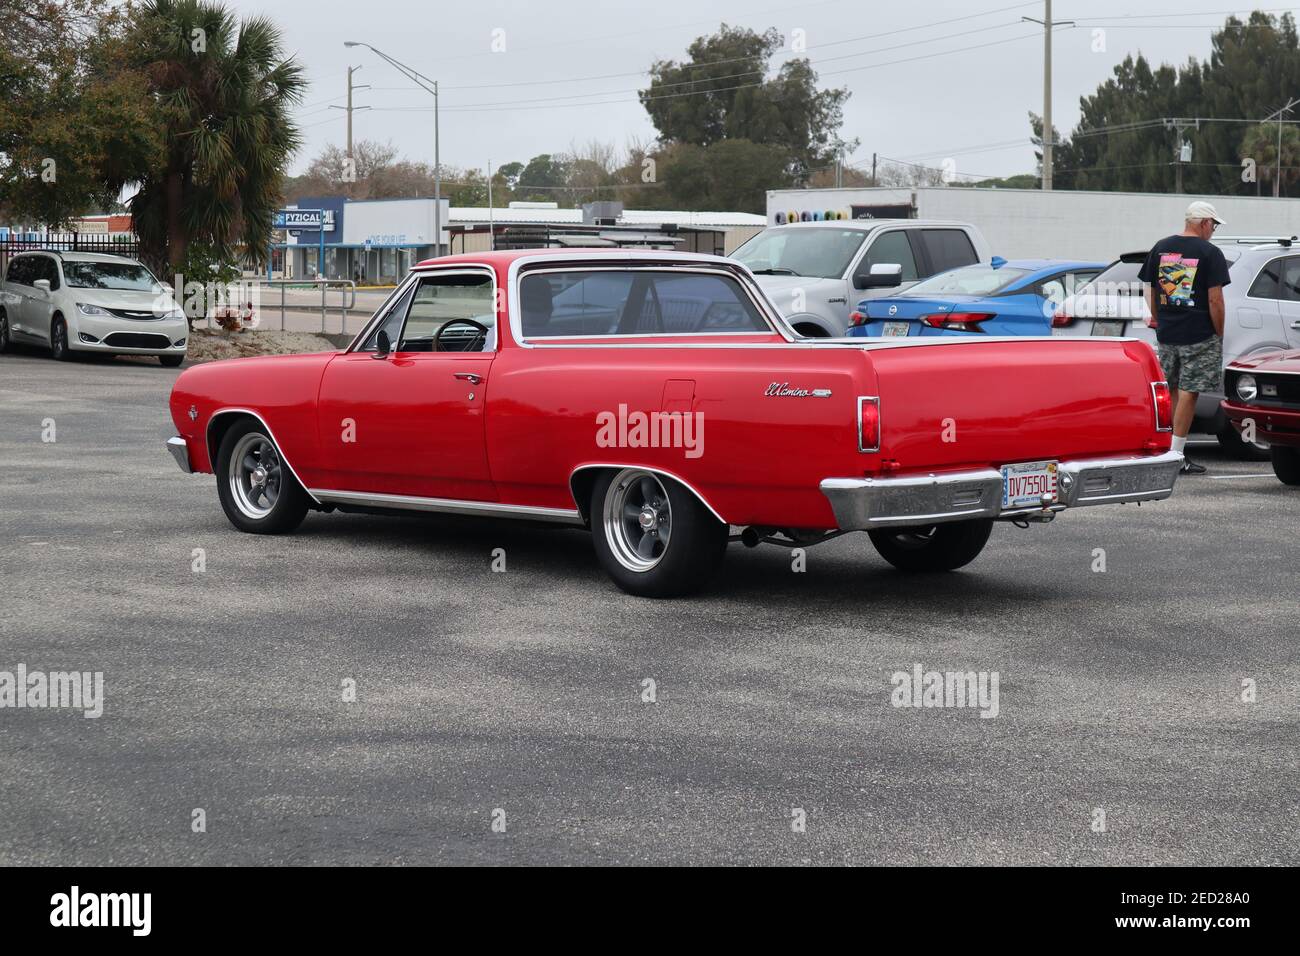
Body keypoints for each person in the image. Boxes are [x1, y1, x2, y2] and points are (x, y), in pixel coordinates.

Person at [1138, 200, 1231, 475]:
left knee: (1173, 390)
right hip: (1199, 333)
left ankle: (1166, 449)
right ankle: (1176, 454)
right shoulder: (1210, 252)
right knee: (1190, 392)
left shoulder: (1161, 247)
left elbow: (1151, 289)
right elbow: (1215, 299)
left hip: (1168, 332)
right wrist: (1219, 331)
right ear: (1204, 223)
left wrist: (1159, 319)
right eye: (1213, 225)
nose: (1213, 230)